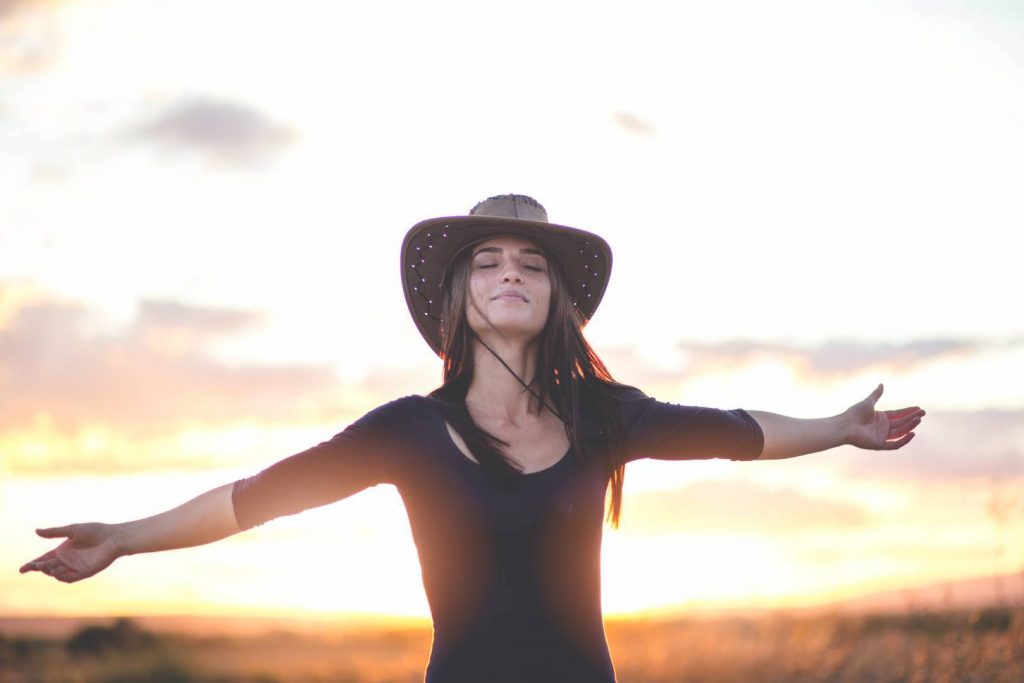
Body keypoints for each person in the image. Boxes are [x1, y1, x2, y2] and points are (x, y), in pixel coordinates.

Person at [21, 194, 925, 682]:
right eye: (487, 261)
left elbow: (736, 432)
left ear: (557, 301)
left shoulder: (604, 415)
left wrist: (840, 428)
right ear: (457, 297)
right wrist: (125, 538)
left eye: (532, 264)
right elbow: (255, 496)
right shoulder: (407, 430)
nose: (511, 274)